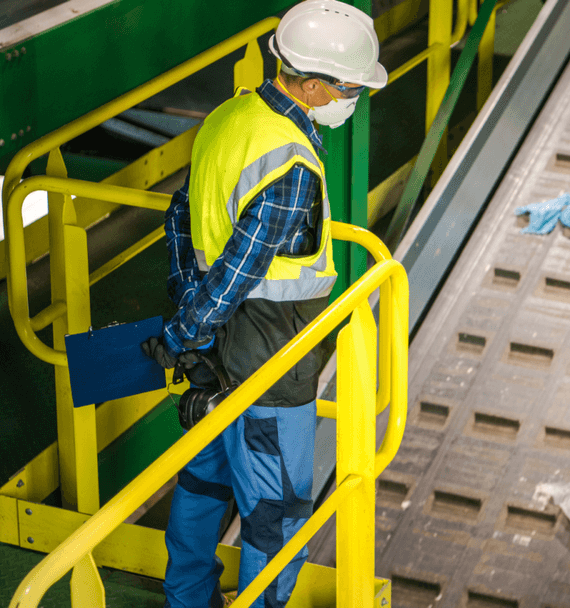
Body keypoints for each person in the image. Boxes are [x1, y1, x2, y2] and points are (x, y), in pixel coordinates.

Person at [140, 2, 387, 606]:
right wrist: (184, 335)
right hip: (269, 353)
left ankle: (189, 598)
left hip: (213, 343)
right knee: (276, 511)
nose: (351, 97)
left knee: (203, 482)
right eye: (348, 86)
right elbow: (239, 272)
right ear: (309, 84)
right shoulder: (292, 163)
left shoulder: (229, 118)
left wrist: (186, 324)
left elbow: (181, 217)